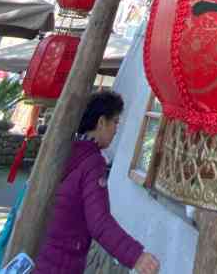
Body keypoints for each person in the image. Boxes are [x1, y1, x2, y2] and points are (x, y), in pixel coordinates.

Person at [34, 91, 160, 274]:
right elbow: (99, 221)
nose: (117, 129)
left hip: (45, 254)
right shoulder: (92, 162)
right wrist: (136, 256)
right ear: (101, 122)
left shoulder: (67, 152)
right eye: (115, 122)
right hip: (62, 262)